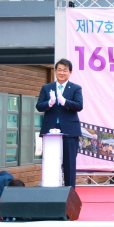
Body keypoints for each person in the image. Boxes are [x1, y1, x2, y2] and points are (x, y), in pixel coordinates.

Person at [36, 58, 83, 187]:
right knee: (51, 162)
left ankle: (69, 192)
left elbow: (79, 105)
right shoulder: (47, 87)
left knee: (69, 163)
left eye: (65, 70)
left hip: (69, 130)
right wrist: (49, 103)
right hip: (50, 130)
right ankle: (51, 192)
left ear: (70, 72)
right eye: (59, 70)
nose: (62, 73)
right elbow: (39, 106)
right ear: (55, 71)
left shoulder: (75, 88)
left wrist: (64, 101)